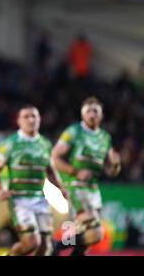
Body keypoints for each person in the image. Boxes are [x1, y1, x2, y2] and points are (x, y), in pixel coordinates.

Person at [0, 105, 67, 256]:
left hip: (40, 199)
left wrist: (62, 189)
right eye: (26, 116)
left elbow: (50, 172)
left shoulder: (45, 143)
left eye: (34, 116)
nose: (31, 119)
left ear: (39, 119)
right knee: (31, 242)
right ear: (18, 121)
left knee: (45, 247)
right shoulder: (11, 143)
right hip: (19, 200)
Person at [51, 97, 121, 256]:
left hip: (93, 190)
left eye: (95, 110)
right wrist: (74, 172)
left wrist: (116, 165)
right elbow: (55, 157)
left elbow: (111, 172)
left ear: (101, 115)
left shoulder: (105, 138)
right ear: (82, 114)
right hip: (75, 186)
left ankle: (58, 247)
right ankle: (56, 246)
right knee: (95, 231)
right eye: (88, 110)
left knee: (92, 237)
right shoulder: (74, 131)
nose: (92, 114)